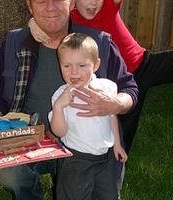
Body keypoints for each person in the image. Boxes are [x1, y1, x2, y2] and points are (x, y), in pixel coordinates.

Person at [0, 0, 138, 199]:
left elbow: (129, 88)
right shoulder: (14, 42)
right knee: (11, 173)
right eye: (42, 1)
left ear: (72, 3)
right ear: (29, 5)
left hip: (87, 145)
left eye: (59, 0)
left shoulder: (96, 42)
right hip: (30, 139)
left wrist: (116, 103)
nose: (51, 7)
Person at [29, 0, 173, 154]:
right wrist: (33, 23)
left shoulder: (108, 6)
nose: (93, 3)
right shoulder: (70, 16)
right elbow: (50, 18)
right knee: (122, 126)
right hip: (117, 81)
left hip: (142, 63)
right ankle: (118, 159)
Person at [48, 32, 127, 200]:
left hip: (105, 158)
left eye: (82, 65)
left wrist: (117, 145)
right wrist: (59, 108)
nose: (74, 72)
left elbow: (112, 116)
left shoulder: (107, 87)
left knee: (108, 195)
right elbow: (59, 132)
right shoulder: (61, 96)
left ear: (96, 64)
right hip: (76, 159)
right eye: (67, 66)